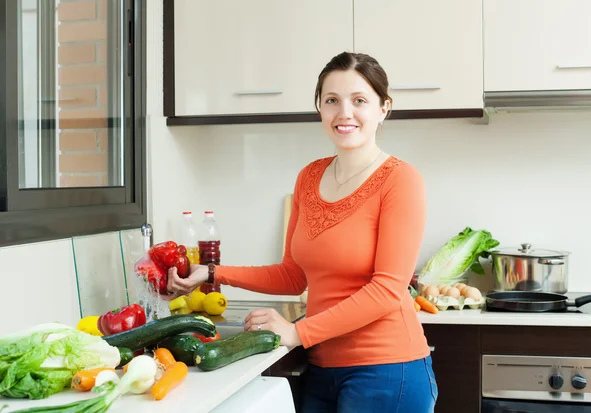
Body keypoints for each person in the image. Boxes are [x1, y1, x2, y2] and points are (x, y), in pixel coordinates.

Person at [165, 51, 438, 413]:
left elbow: (387, 290)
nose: (345, 113)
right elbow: (293, 275)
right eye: (332, 100)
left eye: (359, 100)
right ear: (319, 108)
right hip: (322, 367)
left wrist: (297, 332)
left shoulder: (401, 180)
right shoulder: (309, 177)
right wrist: (213, 273)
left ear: (384, 108)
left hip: (388, 369)